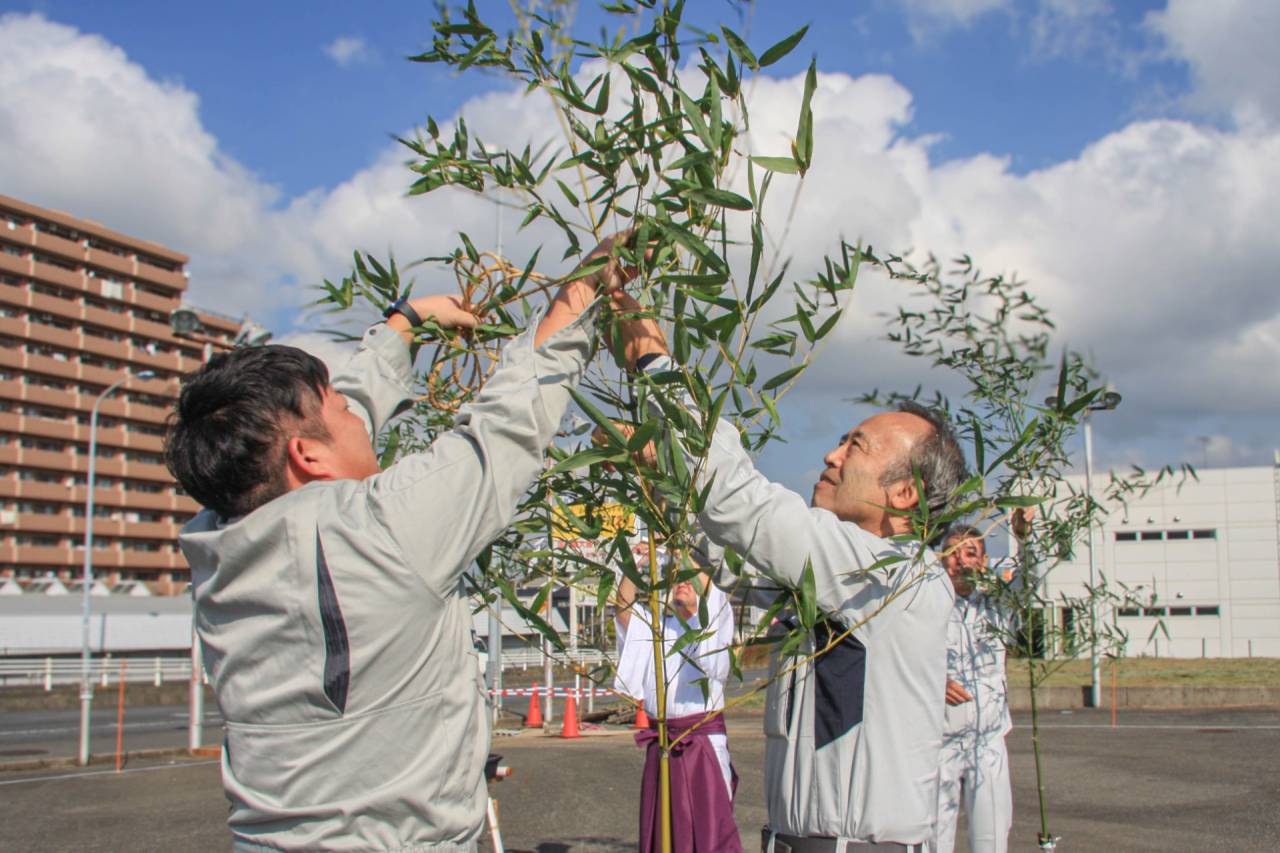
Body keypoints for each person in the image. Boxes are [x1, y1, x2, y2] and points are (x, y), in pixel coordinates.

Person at [164, 233, 637, 851]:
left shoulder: (217, 541)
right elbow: (511, 420)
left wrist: (404, 325)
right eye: (342, 410)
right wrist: (586, 285)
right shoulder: (380, 531)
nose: (359, 416)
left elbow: (327, 433)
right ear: (307, 453)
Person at [613, 297, 969, 852]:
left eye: (856, 446)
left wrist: (655, 363)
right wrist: (658, 471)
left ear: (903, 494)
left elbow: (742, 506)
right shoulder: (839, 581)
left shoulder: (893, 576)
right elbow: (732, 551)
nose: (830, 455)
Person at [613, 567, 742, 853]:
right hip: (663, 740)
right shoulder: (658, 629)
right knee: (663, 833)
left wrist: (690, 552)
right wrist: (630, 560)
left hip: (701, 743)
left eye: (690, 580)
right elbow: (623, 608)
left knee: (709, 835)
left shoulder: (715, 622)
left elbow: (712, 590)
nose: (682, 582)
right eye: (677, 578)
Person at [930, 524, 1020, 853]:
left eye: (970, 553)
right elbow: (900, 656)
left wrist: (1025, 538)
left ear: (983, 561)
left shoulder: (997, 606)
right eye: (952, 554)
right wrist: (933, 680)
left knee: (991, 838)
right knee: (934, 838)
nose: (961, 561)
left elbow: (1030, 580)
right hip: (941, 743)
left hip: (988, 740)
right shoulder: (927, 607)